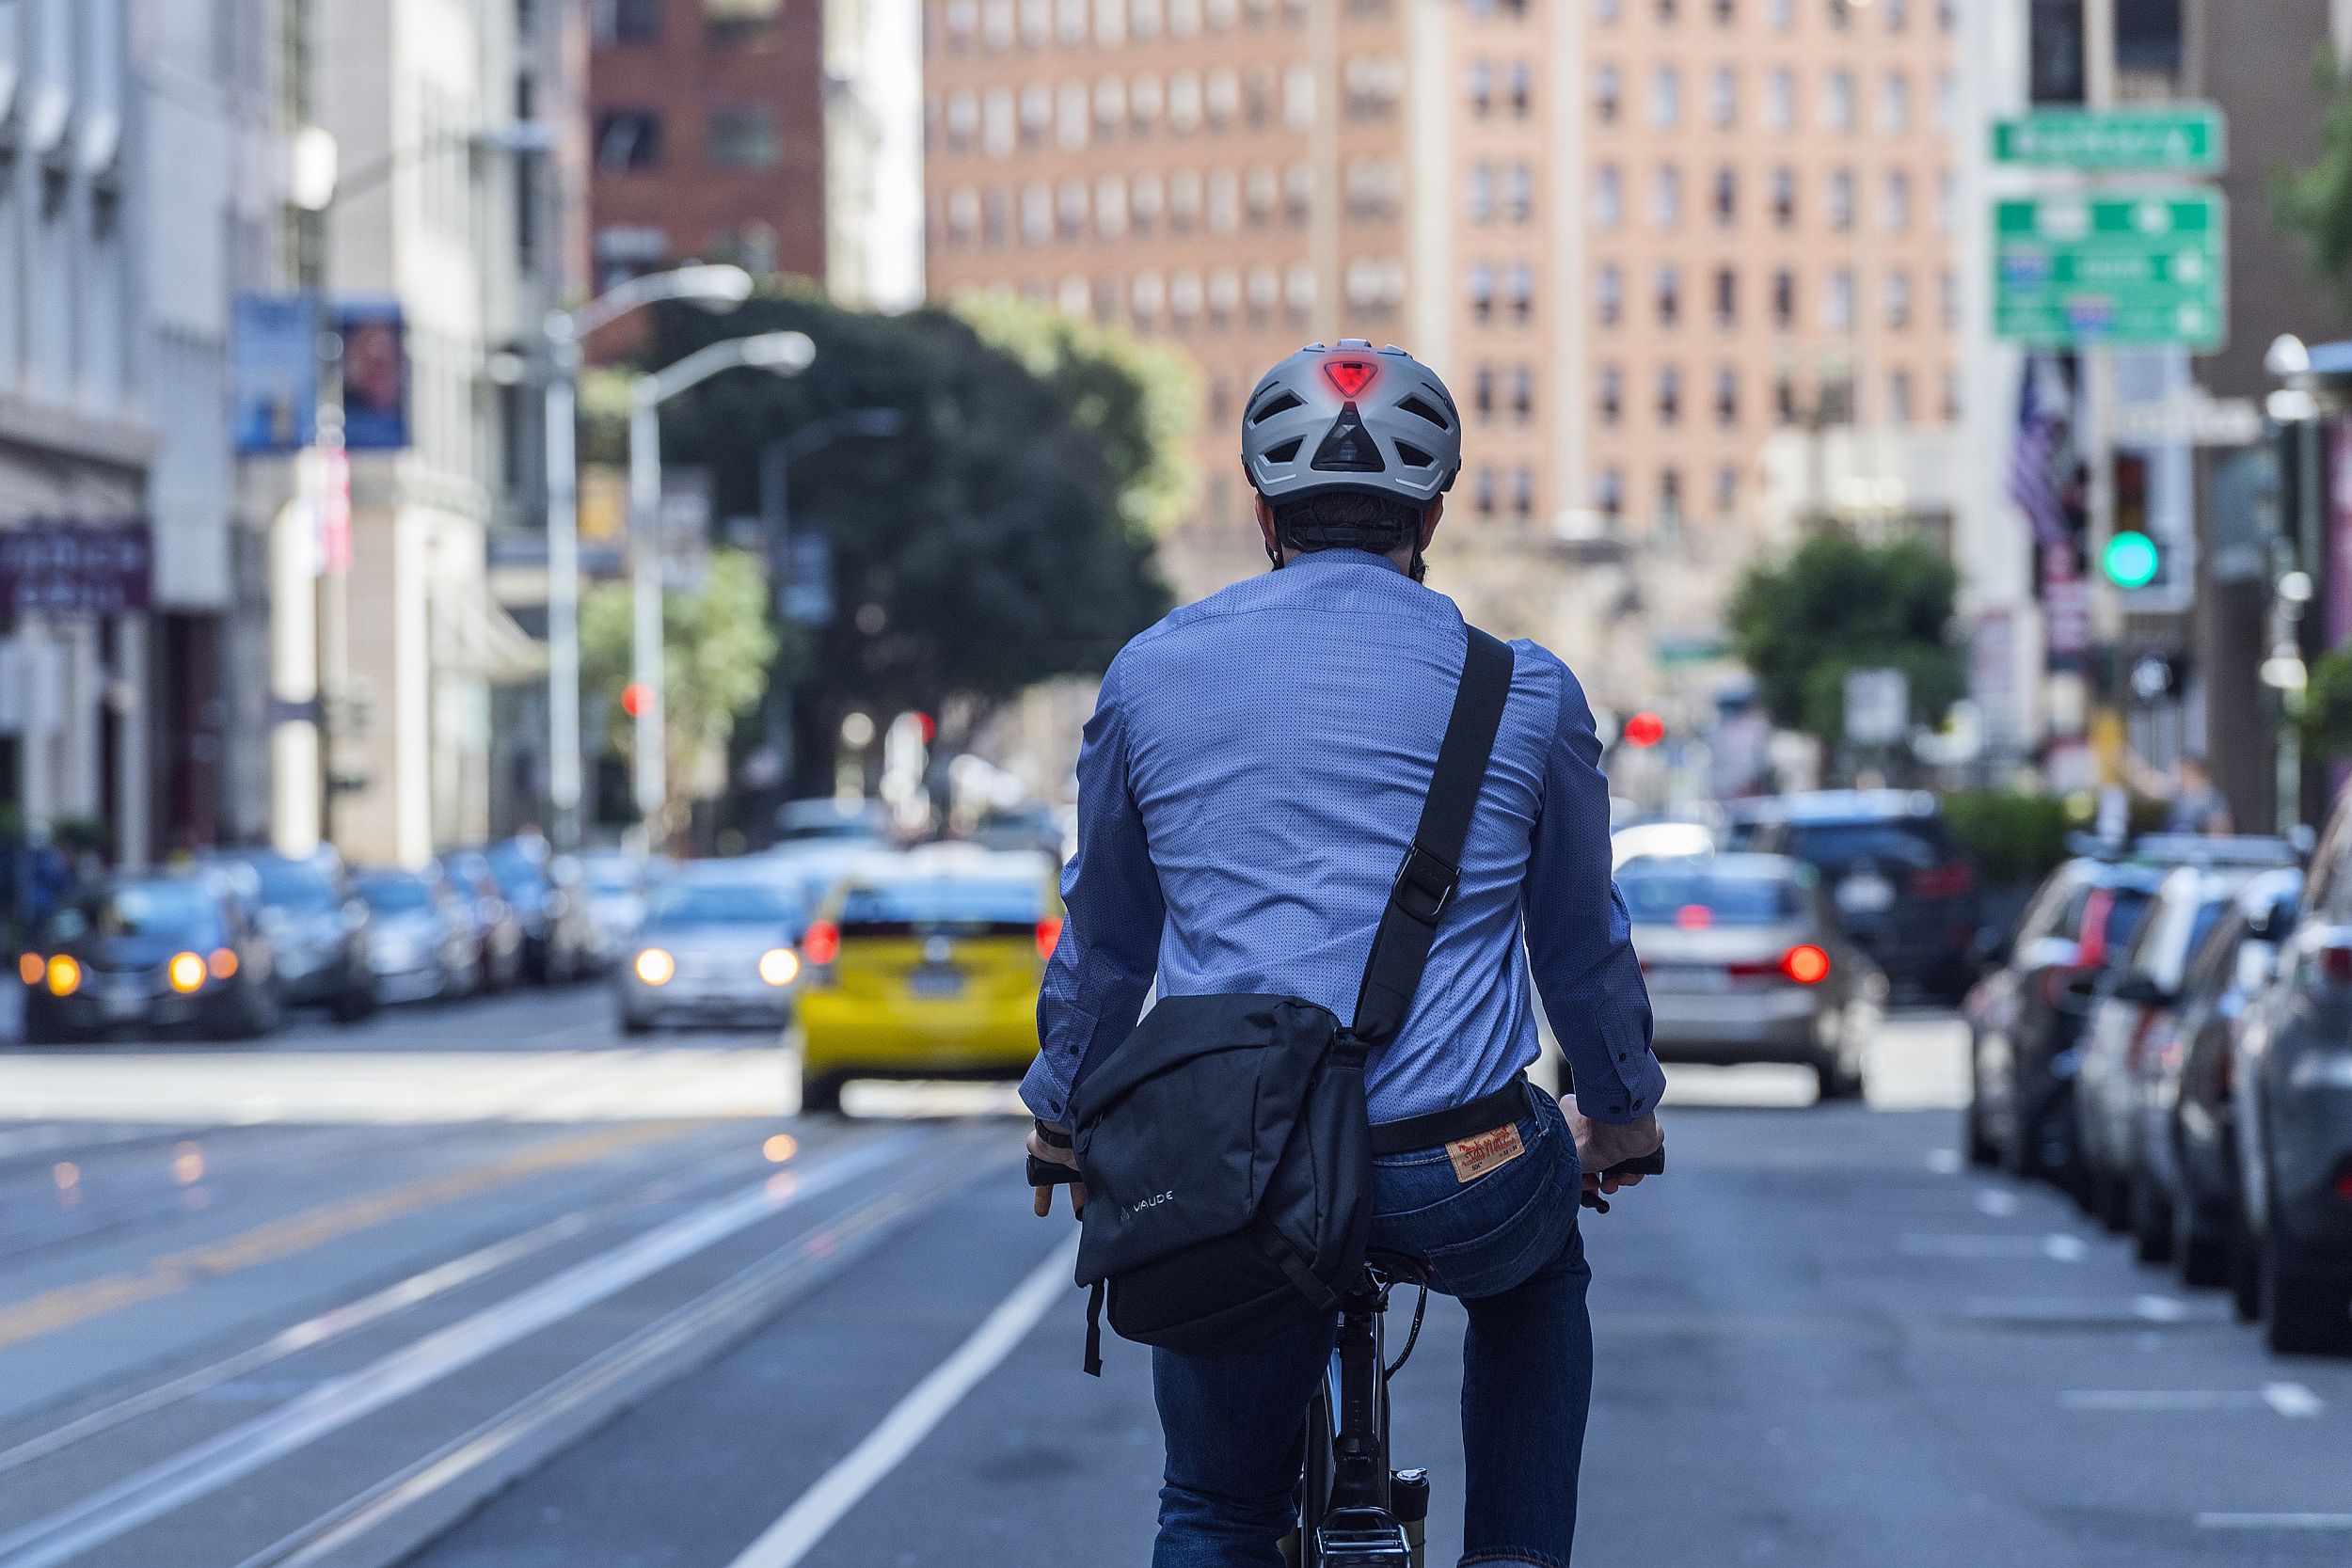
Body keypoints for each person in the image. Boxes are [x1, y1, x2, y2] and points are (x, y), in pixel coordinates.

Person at [1023, 341, 1665, 1568]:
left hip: (1236, 1176)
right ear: (1436, 511)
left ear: (1261, 513)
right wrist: (1621, 1116)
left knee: (1217, 1508)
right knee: (1535, 1282)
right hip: (1460, 1164)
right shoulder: (1526, 691)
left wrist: (1062, 1121)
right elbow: (1583, 948)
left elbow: (1105, 948)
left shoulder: (1149, 676)